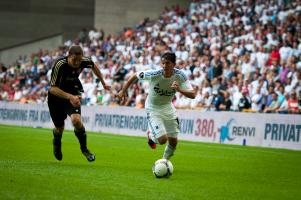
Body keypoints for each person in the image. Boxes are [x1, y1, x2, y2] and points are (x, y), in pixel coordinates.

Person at [117, 52, 197, 160]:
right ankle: (150, 135)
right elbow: (134, 76)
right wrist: (123, 91)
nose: (164, 66)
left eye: (167, 63)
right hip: (153, 107)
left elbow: (193, 94)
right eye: (163, 63)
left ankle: (164, 161)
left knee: (173, 141)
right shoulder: (154, 74)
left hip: (168, 107)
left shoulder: (180, 75)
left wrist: (179, 89)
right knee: (163, 140)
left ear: (174, 64)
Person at [48, 45, 110, 162]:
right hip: (56, 97)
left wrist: (103, 82)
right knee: (59, 128)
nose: (77, 63)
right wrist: (70, 97)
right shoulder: (59, 65)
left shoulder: (83, 61)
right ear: (68, 56)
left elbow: (94, 66)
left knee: (76, 120)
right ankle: (56, 141)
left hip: (72, 91)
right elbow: (52, 89)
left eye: (79, 60)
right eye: (74, 60)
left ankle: (84, 149)